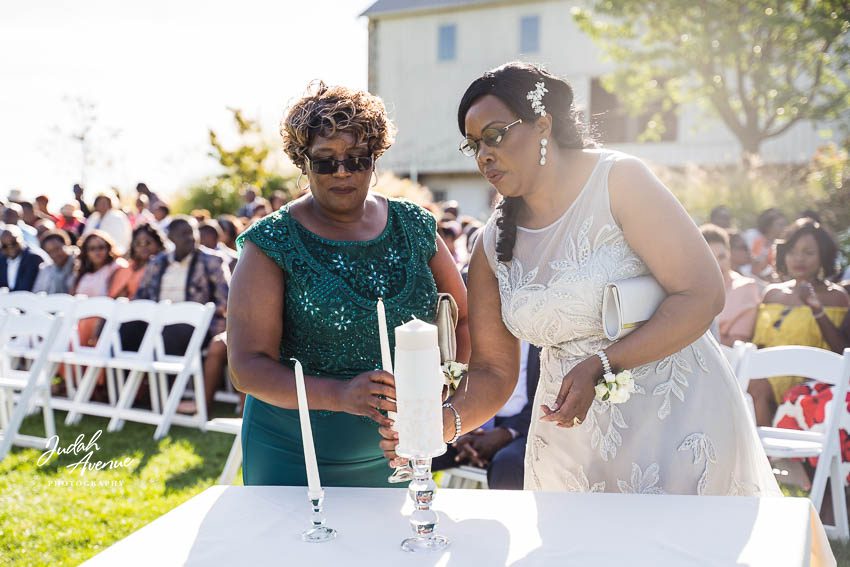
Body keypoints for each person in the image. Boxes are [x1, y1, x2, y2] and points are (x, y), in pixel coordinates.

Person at [380, 62, 778, 496]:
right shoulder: (493, 243)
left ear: (543, 124)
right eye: (473, 145)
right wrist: (441, 424)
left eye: (494, 135)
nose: (483, 156)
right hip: (570, 440)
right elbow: (493, 370)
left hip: (674, 419)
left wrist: (601, 365)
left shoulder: (619, 181)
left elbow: (701, 294)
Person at [227, 81, 470, 487]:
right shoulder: (272, 242)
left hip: (400, 452)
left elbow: (463, 320)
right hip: (294, 454)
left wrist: (442, 392)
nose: (342, 171)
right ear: (303, 162)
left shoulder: (414, 226)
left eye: (357, 159)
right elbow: (246, 367)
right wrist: (338, 395)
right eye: (325, 161)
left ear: (374, 161)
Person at [749, 218, 849, 427]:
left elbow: (841, 350)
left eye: (808, 253)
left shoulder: (836, 297)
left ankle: (764, 449)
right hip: (769, 371)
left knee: (756, 386)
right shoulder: (772, 294)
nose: (798, 259)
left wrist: (816, 309)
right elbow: (758, 344)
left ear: (823, 256)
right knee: (747, 382)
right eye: (792, 252)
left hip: (811, 377)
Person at [134, 216, 230, 415]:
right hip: (156, 321)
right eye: (184, 234)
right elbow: (141, 295)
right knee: (127, 328)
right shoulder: (158, 262)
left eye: (193, 232)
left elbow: (226, 299)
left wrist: (203, 311)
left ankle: (166, 397)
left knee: (173, 332)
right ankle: (127, 393)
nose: (191, 238)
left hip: (197, 326)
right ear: (171, 237)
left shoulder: (211, 261)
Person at [433, 342, 540, 489]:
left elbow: (546, 399)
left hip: (523, 427)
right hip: (468, 421)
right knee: (417, 451)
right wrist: (460, 427)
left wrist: (508, 432)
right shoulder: (476, 332)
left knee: (508, 464)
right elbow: (453, 382)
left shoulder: (540, 338)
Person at [701, 224, 760, 347]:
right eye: (710, 258)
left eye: (721, 257)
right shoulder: (690, 288)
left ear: (729, 254)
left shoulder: (745, 287)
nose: (717, 265)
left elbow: (736, 343)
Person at [32, 230, 78, 294]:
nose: (54, 254)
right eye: (50, 252)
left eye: (57, 249)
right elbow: (37, 292)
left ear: (66, 244)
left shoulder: (79, 264)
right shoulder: (46, 269)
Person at [0, 226, 44, 291]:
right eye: (5, 246)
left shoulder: (33, 258)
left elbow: (27, 287)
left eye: (14, 243)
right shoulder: (2, 260)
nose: (10, 248)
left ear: (21, 239)